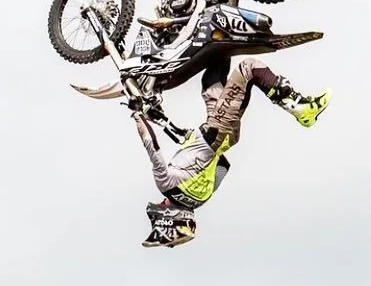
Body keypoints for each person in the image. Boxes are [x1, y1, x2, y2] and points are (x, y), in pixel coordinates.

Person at [134, 56, 331, 248]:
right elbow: (151, 144)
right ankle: (301, 109)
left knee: (211, 82)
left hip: (223, 135)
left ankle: (222, 43)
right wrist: (137, 114)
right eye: (161, 209)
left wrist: (187, 140)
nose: (160, 204)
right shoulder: (166, 184)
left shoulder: (200, 199)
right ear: (170, 217)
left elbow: (222, 166)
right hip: (219, 128)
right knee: (248, 68)